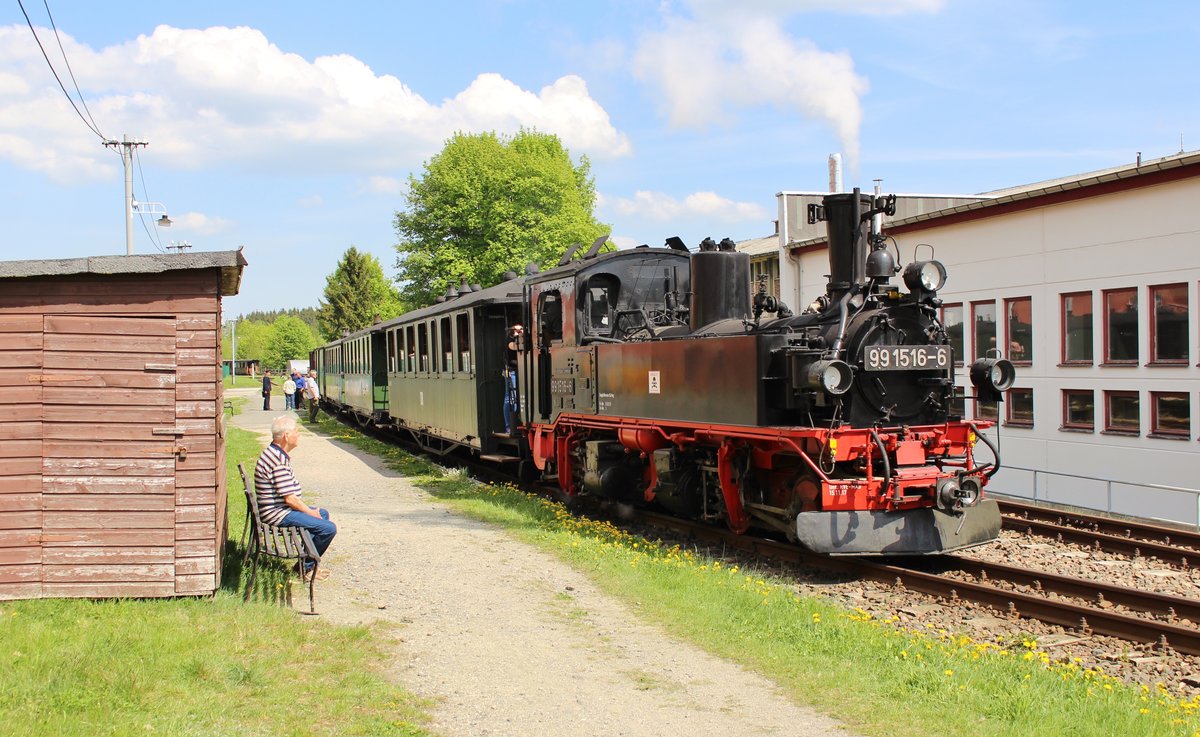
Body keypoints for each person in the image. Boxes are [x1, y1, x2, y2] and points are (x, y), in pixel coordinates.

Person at [254, 414, 336, 578]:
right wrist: (309, 512)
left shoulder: (275, 454)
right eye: (296, 432)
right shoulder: (277, 460)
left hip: (278, 509)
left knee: (323, 514)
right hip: (277, 514)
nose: (298, 435)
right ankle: (305, 568)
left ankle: (305, 561)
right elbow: (290, 499)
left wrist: (310, 511)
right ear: (286, 436)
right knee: (328, 528)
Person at [502, 324, 522, 435]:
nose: (520, 332)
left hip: (514, 371)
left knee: (513, 398)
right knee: (510, 398)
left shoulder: (513, 339)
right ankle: (509, 425)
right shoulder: (509, 341)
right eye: (518, 330)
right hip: (510, 371)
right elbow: (516, 346)